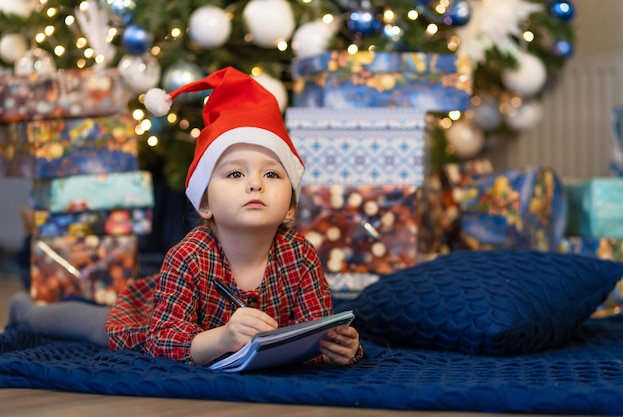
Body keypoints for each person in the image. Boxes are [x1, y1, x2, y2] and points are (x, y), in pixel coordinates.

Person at [8, 66, 362, 367]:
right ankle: (28, 311)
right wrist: (223, 337)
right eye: (235, 174)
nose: (256, 184)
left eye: (272, 174)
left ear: (289, 206)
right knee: (95, 325)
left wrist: (337, 348)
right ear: (204, 203)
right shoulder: (188, 257)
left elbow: (312, 332)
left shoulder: (300, 257)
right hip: (152, 318)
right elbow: (160, 342)